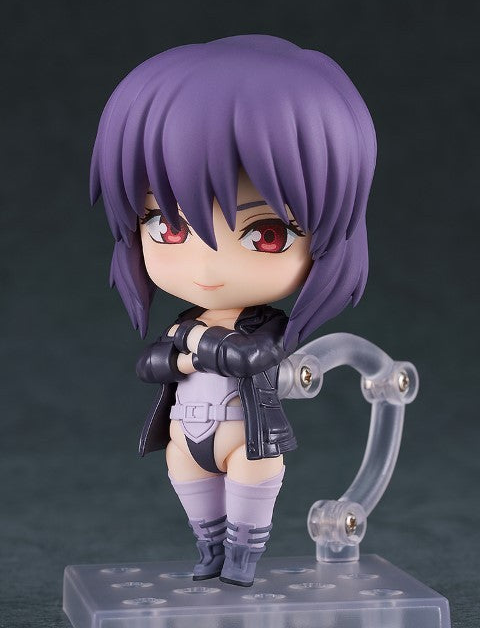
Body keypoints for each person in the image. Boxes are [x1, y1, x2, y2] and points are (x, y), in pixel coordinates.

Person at [90, 34, 376, 586]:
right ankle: (209, 551)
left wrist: (195, 348)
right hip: (186, 434)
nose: (207, 265)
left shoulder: (264, 325)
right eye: (168, 226)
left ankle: (243, 560)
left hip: (248, 438)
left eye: (265, 234)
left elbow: (252, 358)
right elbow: (150, 364)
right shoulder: (185, 324)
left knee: (251, 493)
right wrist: (186, 351)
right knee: (188, 485)